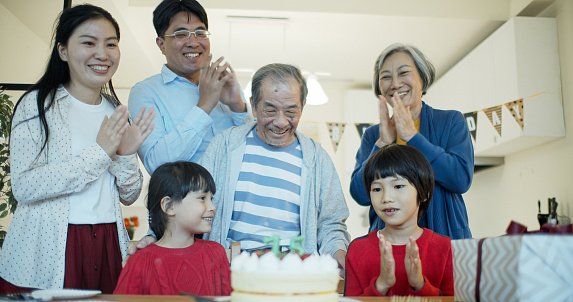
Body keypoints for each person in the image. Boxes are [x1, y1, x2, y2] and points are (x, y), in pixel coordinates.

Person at [0, 4, 154, 294]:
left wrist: (124, 154)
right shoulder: (37, 106)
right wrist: (100, 152)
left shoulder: (115, 110)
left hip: (108, 240)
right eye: (88, 42)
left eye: (111, 44)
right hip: (50, 245)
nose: (102, 53)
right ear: (63, 50)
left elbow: (129, 195)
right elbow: (24, 186)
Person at [198, 63, 350, 270]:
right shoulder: (224, 145)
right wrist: (157, 235)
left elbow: (331, 224)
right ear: (253, 105)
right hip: (229, 270)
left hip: (293, 273)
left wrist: (340, 253)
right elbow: (193, 204)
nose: (280, 122)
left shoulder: (317, 159)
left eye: (291, 112)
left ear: (302, 107)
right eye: (270, 110)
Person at [350, 43, 474, 240]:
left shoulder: (451, 121)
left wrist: (412, 137)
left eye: (404, 73)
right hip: (389, 246)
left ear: (423, 80)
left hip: (445, 240)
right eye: (386, 77)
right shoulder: (374, 135)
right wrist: (382, 143)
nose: (395, 83)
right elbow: (360, 194)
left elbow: (460, 180)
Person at [128, 0, 249, 175]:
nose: (193, 42)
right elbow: (157, 165)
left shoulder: (223, 83)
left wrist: (238, 107)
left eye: (200, 33)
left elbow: (252, 153)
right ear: (161, 44)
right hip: (186, 201)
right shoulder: (145, 92)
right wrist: (204, 106)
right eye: (181, 34)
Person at [345, 144, 454, 296]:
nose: (386, 198)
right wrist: (381, 285)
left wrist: (419, 285)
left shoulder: (446, 248)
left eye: (398, 186)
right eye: (377, 189)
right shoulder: (358, 249)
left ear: (424, 193)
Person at [114, 161, 231, 295]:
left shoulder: (216, 253)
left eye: (212, 199)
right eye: (202, 198)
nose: (212, 207)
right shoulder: (140, 261)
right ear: (169, 206)